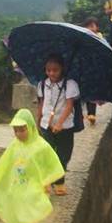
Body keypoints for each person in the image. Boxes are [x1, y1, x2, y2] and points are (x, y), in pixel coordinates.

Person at [36, 53, 79, 196]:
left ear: (62, 69)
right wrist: (38, 123)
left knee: (63, 155)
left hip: (65, 126)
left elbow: (69, 105)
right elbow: (41, 104)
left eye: (55, 70)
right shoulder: (42, 84)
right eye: (48, 70)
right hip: (46, 125)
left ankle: (59, 182)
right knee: (47, 154)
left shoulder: (70, 84)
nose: (51, 73)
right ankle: (47, 181)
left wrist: (59, 123)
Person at [82, 17, 103, 126]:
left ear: (97, 27)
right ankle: (87, 113)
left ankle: (91, 114)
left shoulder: (99, 38)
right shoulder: (83, 37)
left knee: (92, 92)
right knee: (85, 91)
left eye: (92, 25)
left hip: (94, 69)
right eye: (88, 26)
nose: (90, 28)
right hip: (85, 68)